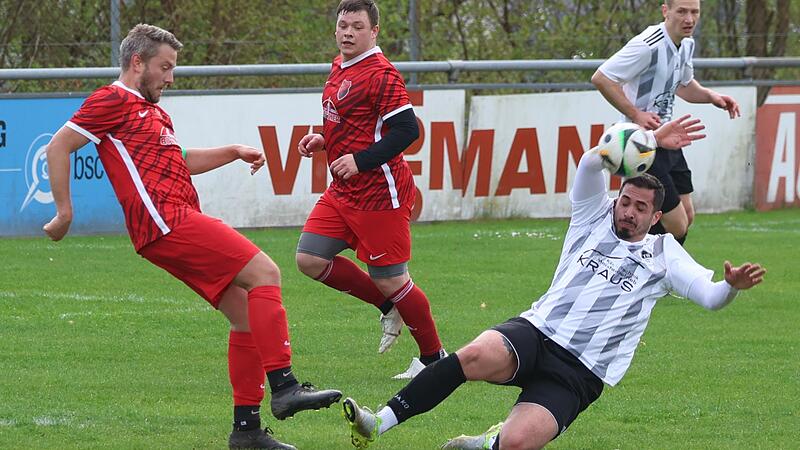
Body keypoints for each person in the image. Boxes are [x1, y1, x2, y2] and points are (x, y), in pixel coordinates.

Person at [341, 115, 766, 450]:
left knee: (518, 443)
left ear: (656, 217)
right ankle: (378, 422)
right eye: (625, 201)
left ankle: (491, 441)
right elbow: (589, 162)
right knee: (472, 355)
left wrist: (731, 285)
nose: (629, 211)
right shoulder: (592, 214)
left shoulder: (665, 255)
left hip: (581, 371)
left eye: (640, 208)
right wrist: (646, 139)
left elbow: (711, 298)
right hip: (537, 331)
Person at [43, 24, 341, 450]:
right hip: (165, 222)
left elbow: (179, 160)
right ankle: (286, 387)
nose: (170, 77)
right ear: (137, 63)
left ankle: (248, 432)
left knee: (244, 315)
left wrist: (232, 151)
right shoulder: (111, 99)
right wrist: (64, 212)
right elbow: (58, 146)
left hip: (174, 223)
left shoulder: (155, 113)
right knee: (265, 272)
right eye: (165, 67)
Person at [295, 0, 446, 378]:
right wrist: (323, 139)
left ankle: (434, 360)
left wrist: (360, 160)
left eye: (357, 26)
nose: (348, 32)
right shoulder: (339, 65)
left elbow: (407, 131)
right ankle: (387, 306)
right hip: (344, 192)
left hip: (380, 195)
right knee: (310, 259)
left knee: (392, 278)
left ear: (374, 31)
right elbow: (354, 123)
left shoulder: (381, 74)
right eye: (343, 25)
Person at [591, 0, 740, 245]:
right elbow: (602, 77)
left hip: (668, 140)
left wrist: (712, 97)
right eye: (682, 11)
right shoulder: (647, 45)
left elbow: (683, 85)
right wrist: (636, 113)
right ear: (665, 11)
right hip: (639, 145)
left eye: (694, 12)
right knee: (676, 224)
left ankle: (641, 263)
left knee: (686, 216)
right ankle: (642, 270)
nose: (689, 19)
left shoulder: (685, 44)